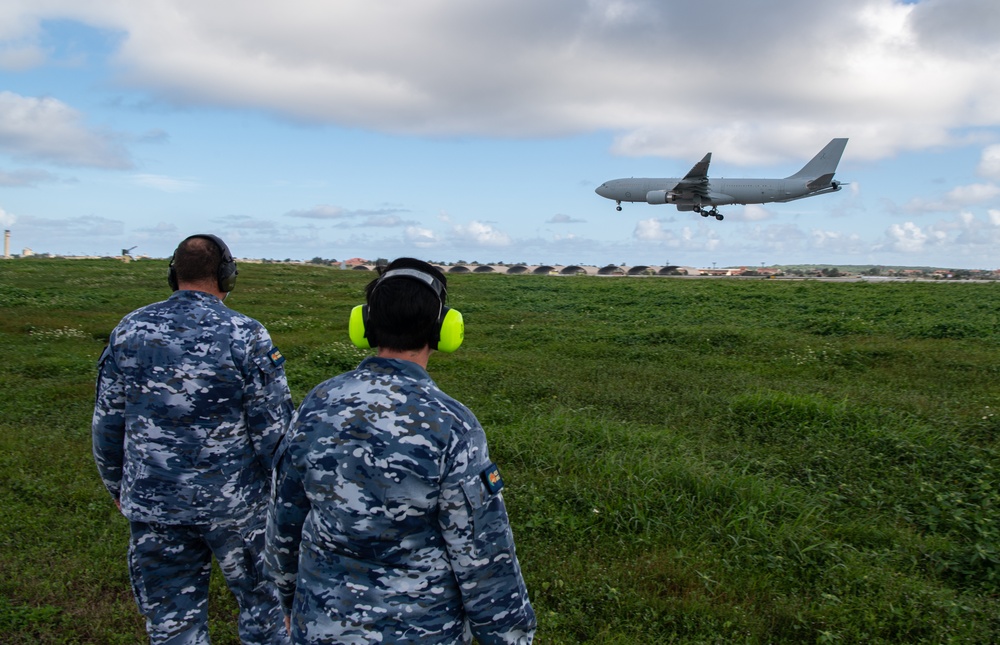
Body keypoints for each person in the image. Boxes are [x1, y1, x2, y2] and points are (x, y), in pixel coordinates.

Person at [266, 258, 536, 644]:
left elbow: (284, 518)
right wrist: (510, 637)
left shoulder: (318, 403)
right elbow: (482, 552)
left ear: (365, 325)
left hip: (320, 625)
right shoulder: (452, 424)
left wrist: (286, 598)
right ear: (443, 329)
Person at [92, 233, 293, 644]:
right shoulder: (247, 335)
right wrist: (288, 496)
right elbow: (274, 433)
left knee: (171, 623)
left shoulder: (130, 329)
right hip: (237, 506)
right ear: (227, 276)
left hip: (154, 503)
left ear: (173, 274)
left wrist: (119, 487)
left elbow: (108, 423)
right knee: (265, 611)